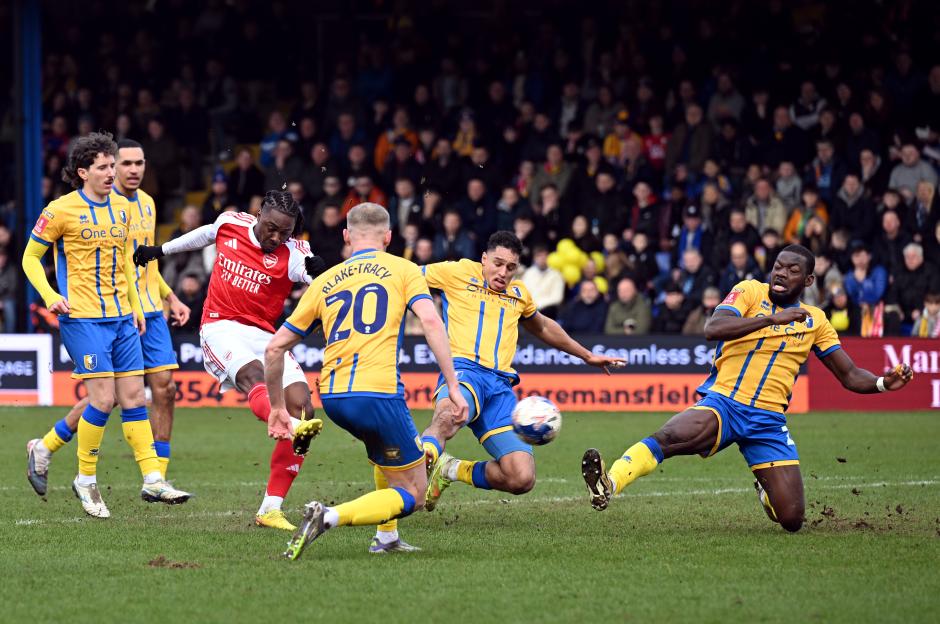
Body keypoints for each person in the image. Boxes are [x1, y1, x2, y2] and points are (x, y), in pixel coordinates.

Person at [581, 244, 914, 532]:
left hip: (768, 421)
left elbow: (850, 374)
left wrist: (883, 383)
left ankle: (766, 491)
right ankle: (610, 483)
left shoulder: (815, 320)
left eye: (793, 270)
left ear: (808, 280)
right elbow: (714, 327)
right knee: (670, 436)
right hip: (725, 404)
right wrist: (769, 320)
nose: (781, 273)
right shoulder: (750, 291)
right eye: (778, 266)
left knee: (792, 519)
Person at [262, 202, 468, 559]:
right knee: (415, 493)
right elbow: (431, 322)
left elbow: (274, 348)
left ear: (346, 236)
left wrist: (277, 407)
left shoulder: (325, 281)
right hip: (377, 393)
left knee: (386, 457)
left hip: (334, 398)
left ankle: (386, 538)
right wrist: (452, 384)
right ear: (388, 237)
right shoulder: (403, 269)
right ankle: (328, 516)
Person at [134, 190, 326, 531]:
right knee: (255, 377)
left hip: (266, 335)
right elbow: (204, 234)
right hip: (220, 327)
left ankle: (270, 508)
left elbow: (317, 279)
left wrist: (319, 273)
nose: (276, 237)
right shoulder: (230, 224)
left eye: (284, 232)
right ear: (258, 215)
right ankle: (289, 425)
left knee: (304, 408)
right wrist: (160, 251)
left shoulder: (295, 252)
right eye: (271, 228)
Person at [22, 132, 190, 517]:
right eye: (104, 167)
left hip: (122, 317)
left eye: (113, 165)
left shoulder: (123, 207)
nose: (112, 172)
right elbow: (30, 258)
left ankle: (153, 478)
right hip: (82, 317)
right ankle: (86, 479)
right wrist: (49, 295)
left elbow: (126, 262)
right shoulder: (60, 210)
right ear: (83, 172)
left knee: (134, 399)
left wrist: (135, 306)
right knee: (102, 399)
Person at [416, 231, 624, 523]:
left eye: (511, 267)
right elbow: (406, 277)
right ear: (484, 259)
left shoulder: (519, 293)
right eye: (498, 264)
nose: (503, 272)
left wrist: (586, 355)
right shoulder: (457, 271)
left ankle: (449, 469)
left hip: (500, 388)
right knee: (448, 418)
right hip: (464, 372)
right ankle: (412, 476)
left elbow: (544, 327)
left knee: (520, 477)